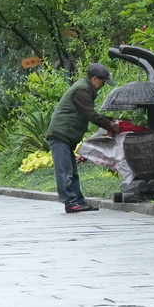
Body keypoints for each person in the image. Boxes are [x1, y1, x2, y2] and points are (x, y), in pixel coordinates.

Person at [45, 63, 116, 213]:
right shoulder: (82, 90)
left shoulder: (84, 88)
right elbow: (90, 115)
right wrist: (111, 125)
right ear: (95, 78)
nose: (103, 85)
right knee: (64, 171)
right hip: (60, 133)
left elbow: (90, 113)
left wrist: (109, 122)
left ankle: (78, 201)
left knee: (71, 171)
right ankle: (70, 203)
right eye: (103, 81)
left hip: (66, 135)